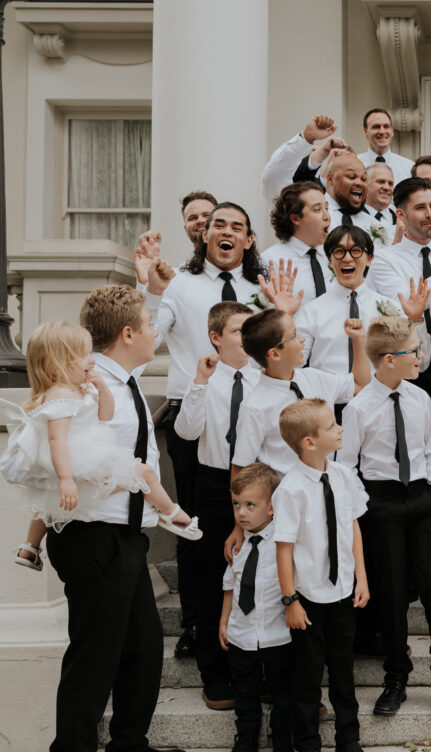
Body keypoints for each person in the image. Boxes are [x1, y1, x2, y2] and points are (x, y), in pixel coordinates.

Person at [36, 286, 181, 752]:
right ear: (128, 332)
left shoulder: (124, 380)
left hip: (125, 537)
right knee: (94, 656)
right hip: (92, 537)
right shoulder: (86, 386)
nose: (157, 331)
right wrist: (122, 480)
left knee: (142, 646)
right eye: (150, 323)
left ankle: (128, 744)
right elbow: (61, 455)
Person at [135, 201, 264, 660]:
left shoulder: (261, 288)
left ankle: (251, 626)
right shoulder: (182, 285)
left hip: (254, 423)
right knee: (195, 530)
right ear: (204, 235)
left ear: (249, 240)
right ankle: (195, 622)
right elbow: (150, 333)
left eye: (238, 227)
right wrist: (149, 290)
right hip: (195, 416)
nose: (227, 232)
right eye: (218, 225)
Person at [5, 320, 200, 568]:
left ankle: (29, 547)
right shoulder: (59, 396)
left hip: (86, 454)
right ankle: (170, 512)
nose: (92, 360)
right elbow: (56, 439)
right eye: (83, 355)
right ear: (56, 366)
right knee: (143, 473)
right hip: (79, 460)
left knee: (48, 502)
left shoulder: (77, 389)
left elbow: (105, 416)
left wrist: (102, 391)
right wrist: (66, 479)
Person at [340, 317, 431, 716]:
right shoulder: (358, 408)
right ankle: (396, 676)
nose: (420, 357)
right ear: (388, 360)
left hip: (421, 497)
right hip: (382, 503)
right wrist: (367, 505)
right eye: (414, 351)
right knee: (390, 593)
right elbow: (346, 465)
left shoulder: (419, 398)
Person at [173, 301, 261, 710]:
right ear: (216, 338)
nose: (247, 338)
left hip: (260, 486)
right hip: (213, 486)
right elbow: (187, 431)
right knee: (213, 581)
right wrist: (199, 382)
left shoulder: (265, 377)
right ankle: (215, 674)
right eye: (239, 331)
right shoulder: (206, 381)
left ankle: (260, 671)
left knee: (260, 580)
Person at [274, 398, 369, 752]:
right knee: (308, 677)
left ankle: (349, 738)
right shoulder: (291, 489)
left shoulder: (343, 476)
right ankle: (308, 742)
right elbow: (283, 548)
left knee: (344, 671)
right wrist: (290, 601)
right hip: (309, 598)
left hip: (344, 592)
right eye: (332, 426)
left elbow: (353, 528)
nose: (340, 428)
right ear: (309, 442)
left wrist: (362, 578)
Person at [296, 225, 431, 421]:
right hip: (329, 411)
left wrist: (416, 320)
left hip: (382, 409)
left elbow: (422, 363)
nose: (347, 258)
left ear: (369, 259)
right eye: (339, 251)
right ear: (329, 260)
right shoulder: (311, 311)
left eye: (356, 250)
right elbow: (294, 366)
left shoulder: (389, 307)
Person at [229, 308, 369, 480]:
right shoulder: (254, 407)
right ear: (274, 353)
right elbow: (240, 469)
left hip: (328, 487)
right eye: (294, 335)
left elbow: (359, 384)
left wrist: (359, 341)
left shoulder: (315, 377)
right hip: (285, 496)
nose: (302, 339)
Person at [367, 177, 431, 397]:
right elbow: (408, 305)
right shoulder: (385, 260)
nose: (430, 214)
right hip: (412, 371)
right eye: (420, 208)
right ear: (401, 215)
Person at [218, 462, 292, 752]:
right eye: (237, 505)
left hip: (278, 634)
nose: (242, 513)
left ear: (271, 507)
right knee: (244, 691)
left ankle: (283, 737)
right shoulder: (239, 546)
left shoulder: (283, 544)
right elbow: (230, 587)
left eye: (250, 505)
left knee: (283, 691)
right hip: (241, 633)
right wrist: (224, 623)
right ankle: (247, 736)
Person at [262, 182, 332, 303]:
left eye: (326, 208)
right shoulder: (271, 260)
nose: (327, 216)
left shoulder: (332, 256)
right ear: (295, 218)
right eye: (317, 210)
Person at [357, 108, 415, 184]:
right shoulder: (355, 163)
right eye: (376, 127)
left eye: (386, 126)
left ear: (392, 131)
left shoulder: (409, 167)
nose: (382, 131)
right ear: (365, 132)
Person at [323, 152, 374, 232]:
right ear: (330, 179)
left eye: (363, 179)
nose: (359, 183)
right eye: (351, 176)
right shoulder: (315, 215)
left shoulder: (372, 223)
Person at [366, 162, 396, 227]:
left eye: (390, 184)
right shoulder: (351, 218)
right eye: (381, 182)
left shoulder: (402, 221)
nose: (387, 187)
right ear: (366, 184)